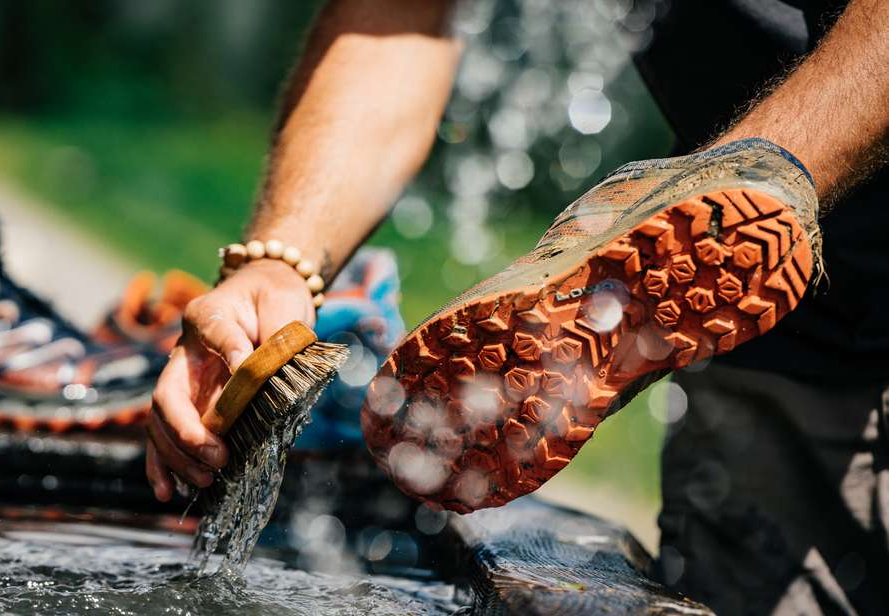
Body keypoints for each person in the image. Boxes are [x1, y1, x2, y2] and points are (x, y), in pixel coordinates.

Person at [146, 0, 889, 613]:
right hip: (779, 335)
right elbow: (395, 21)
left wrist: (751, 179)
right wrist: (279, 259)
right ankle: (697, 229)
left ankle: (707, 215)